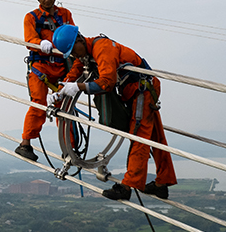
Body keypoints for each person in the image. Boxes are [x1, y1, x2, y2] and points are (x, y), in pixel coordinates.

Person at [49, 24, 177, 200]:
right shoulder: (86, 53)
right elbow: (75, 71)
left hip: (142, 90)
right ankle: (164, 181)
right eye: (71, 53)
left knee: (138, 136)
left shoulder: (102, 48)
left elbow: (107, 82)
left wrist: (78, 86)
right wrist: (60, 91)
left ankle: (127, 186)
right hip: (134, 90)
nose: (74, 55)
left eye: (73, 50)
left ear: (79, 39)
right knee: (155, 136)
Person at [15, 0, 75, 162]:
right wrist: (40, 43)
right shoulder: (31, 18)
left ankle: (70, 148)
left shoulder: (64, 15)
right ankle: (25, 144)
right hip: (41, 67)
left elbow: (73, 34)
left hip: (60, 67)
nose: (47, 0)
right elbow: (29, 40)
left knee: (64, 108)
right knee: (39, 104)